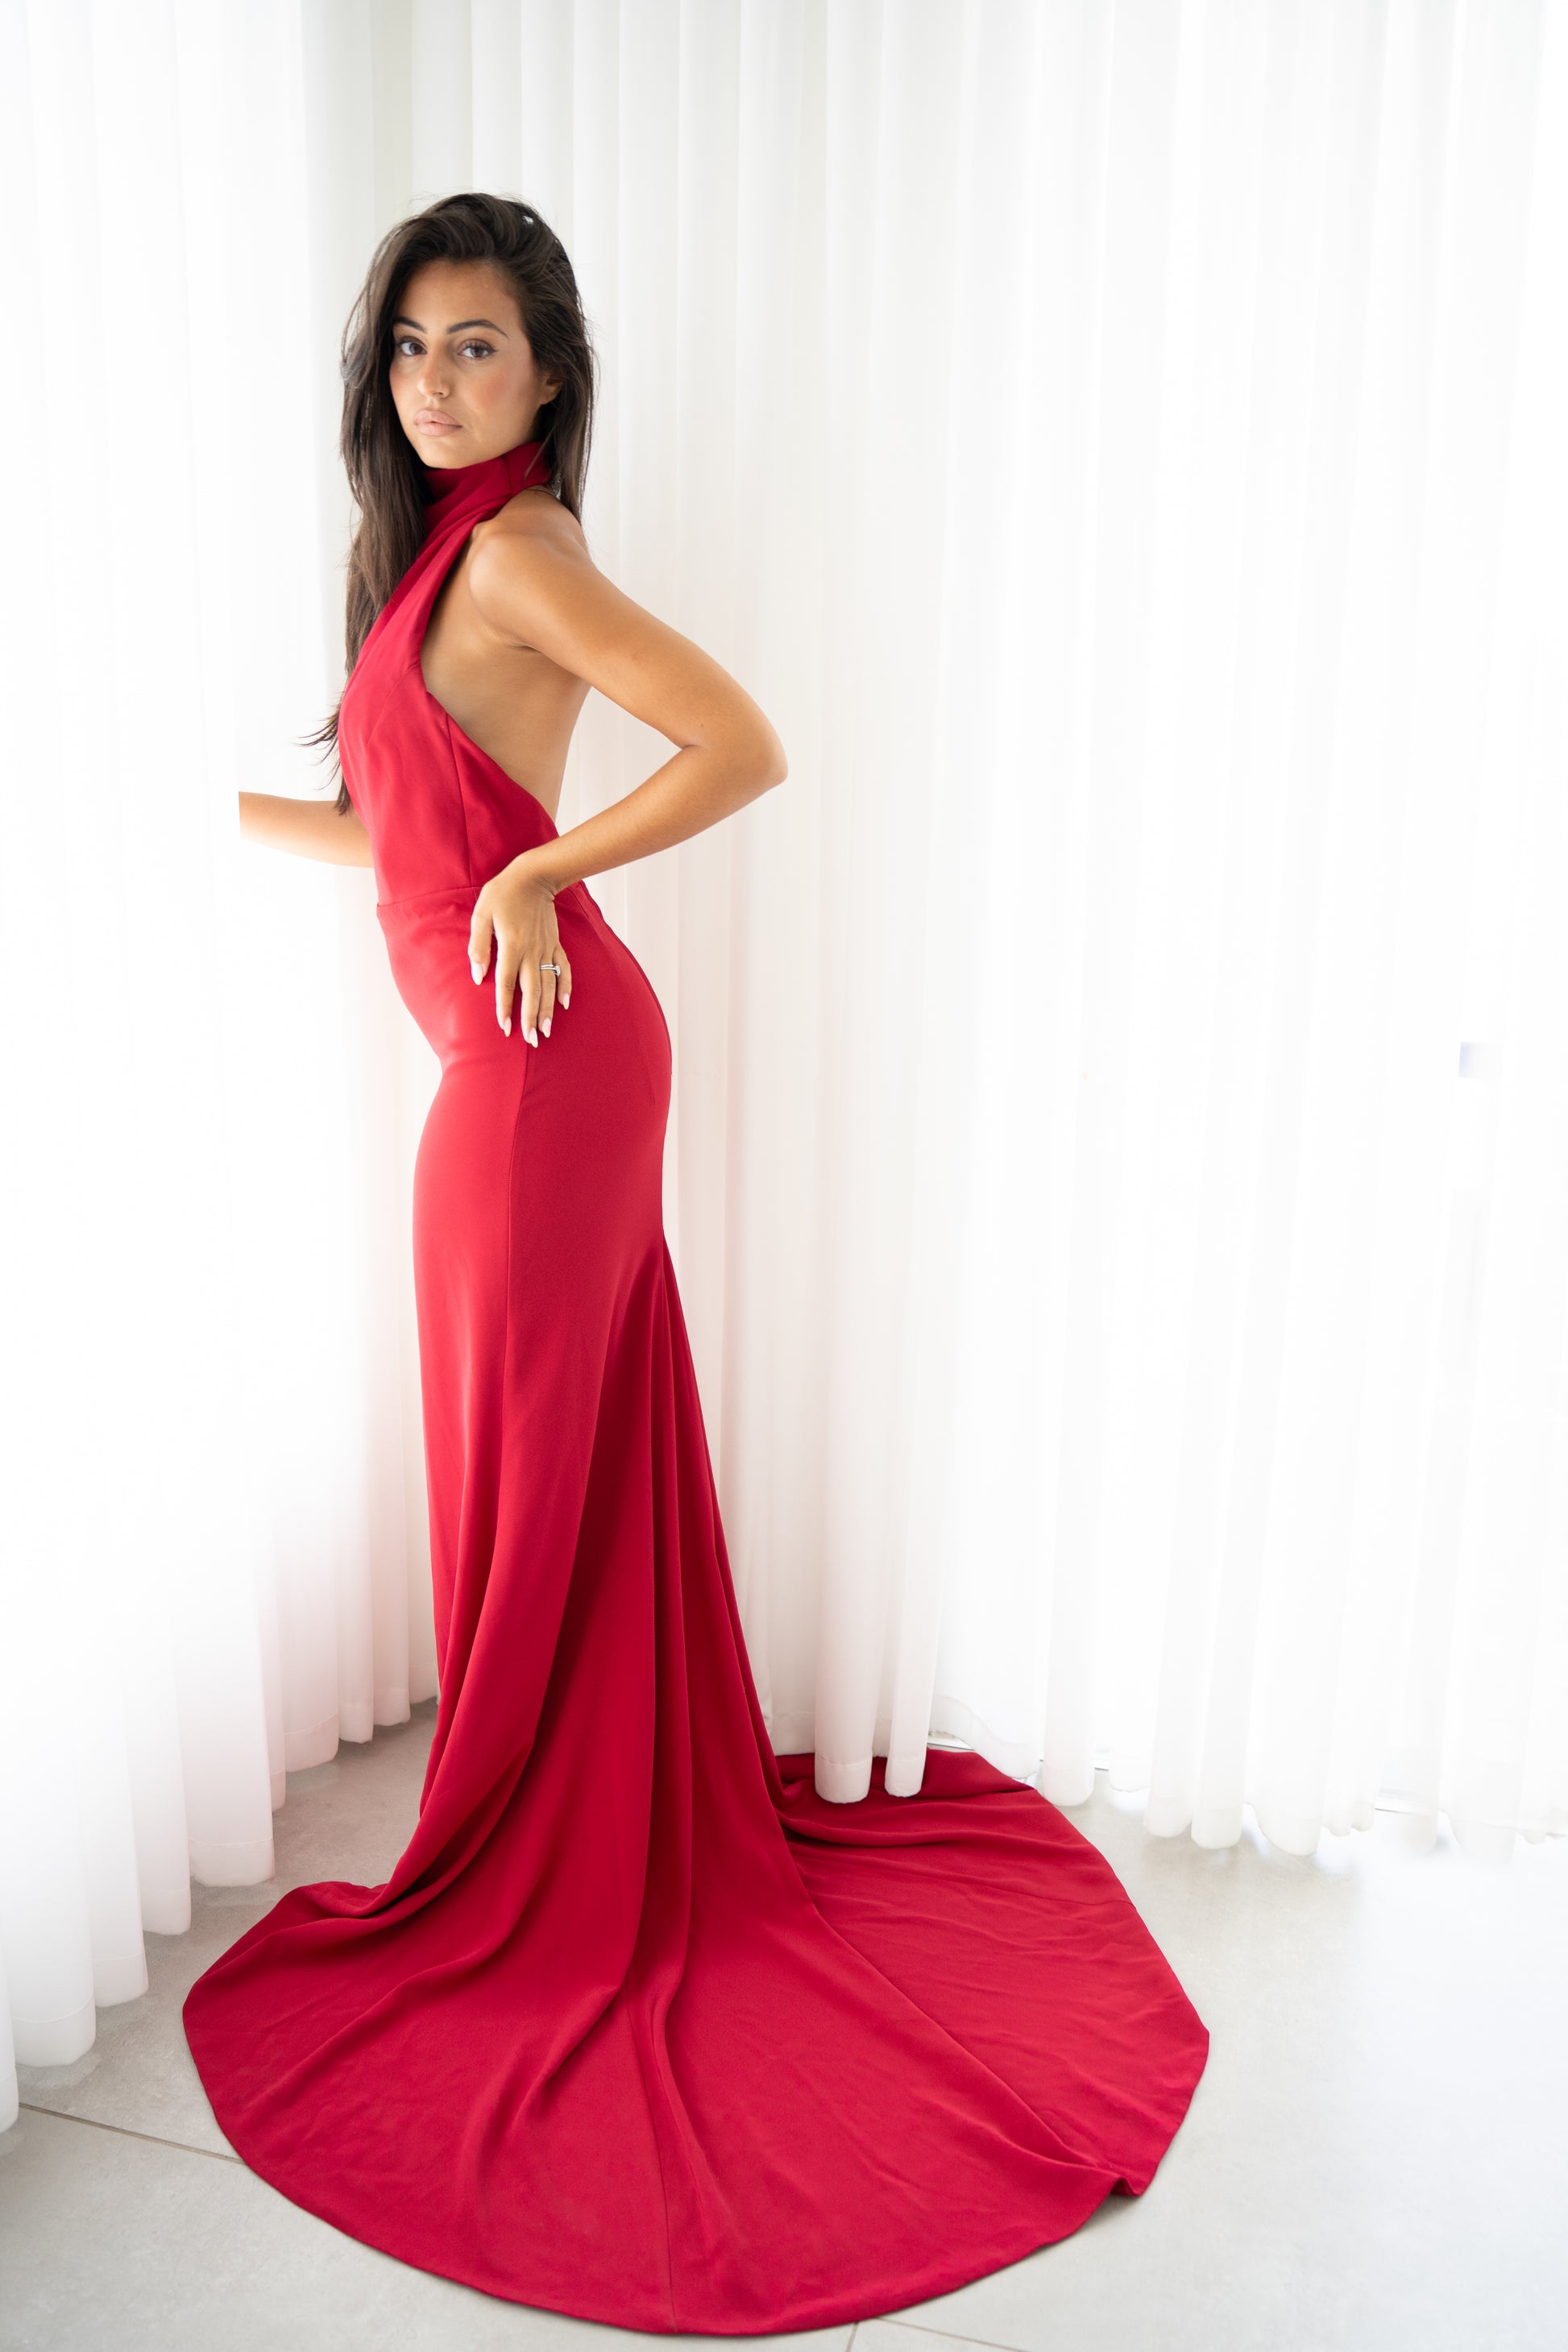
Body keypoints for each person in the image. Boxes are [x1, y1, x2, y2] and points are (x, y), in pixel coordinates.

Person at [185, 192, 1209, 2335]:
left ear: (548, 372)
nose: (435, 381)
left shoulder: (523, 553)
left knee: (526, 1465)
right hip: (518, 1064)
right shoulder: (428, 571)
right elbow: (391, 844)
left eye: (475, 345)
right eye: (409, 347)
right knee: (536, 1458)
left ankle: (524, 1858)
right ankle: (558, 1811)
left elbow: (740, 738)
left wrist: (546, 871)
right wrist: (160, 815)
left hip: (542, 1071)